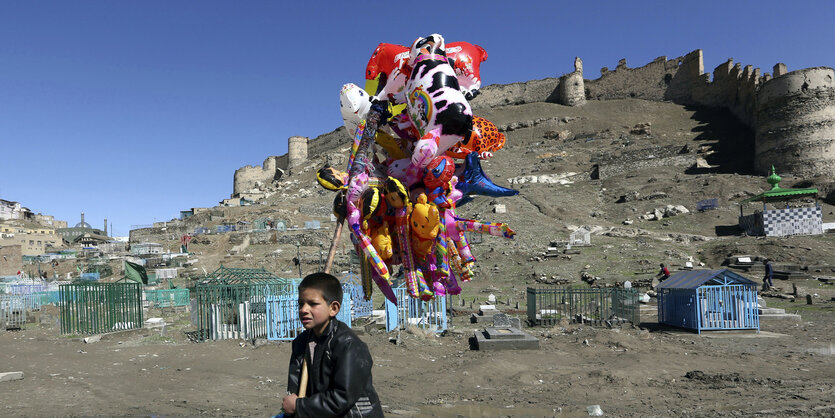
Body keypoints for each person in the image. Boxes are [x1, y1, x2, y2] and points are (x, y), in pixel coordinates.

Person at [281, 272, 383, 417]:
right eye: (301, 303)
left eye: (313, 304)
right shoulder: (301, 343)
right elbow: (294, 391)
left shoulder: (348, 345)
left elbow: (342, 398)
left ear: (333, 308)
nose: (304, 309)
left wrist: (300, 405)